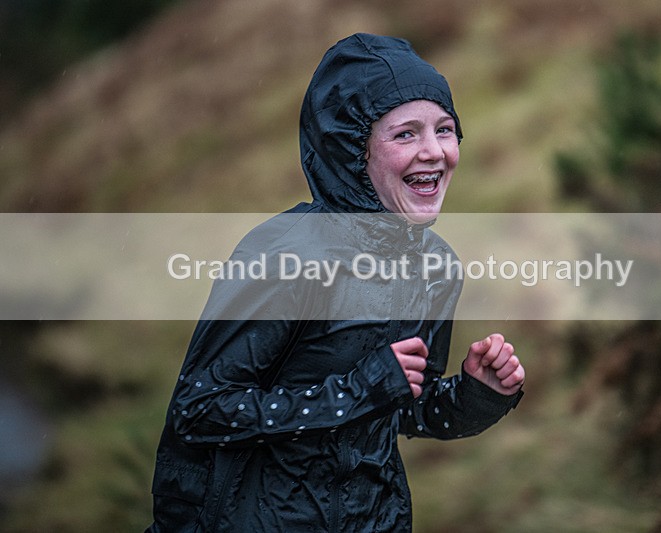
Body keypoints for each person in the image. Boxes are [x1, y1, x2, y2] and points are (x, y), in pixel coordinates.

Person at [148, 33, 525, 532]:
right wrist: (359, 389)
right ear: (353, 150)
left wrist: (479, 395)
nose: (434, 152)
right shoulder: (289, 255)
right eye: (405, 134)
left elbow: (405, 410)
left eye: (446, 129)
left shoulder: (435, 266)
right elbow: (200, 411)